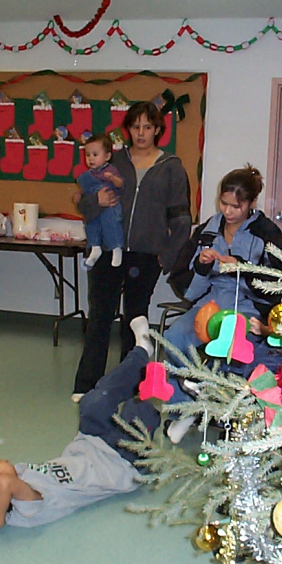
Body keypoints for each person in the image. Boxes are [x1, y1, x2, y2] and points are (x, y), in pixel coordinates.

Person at [0, 317, 160, 530]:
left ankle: (142, 352)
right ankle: (177, 389)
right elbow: (4, 484)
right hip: (122, 464)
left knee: (93, 402)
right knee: (140, 406)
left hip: (90, 444)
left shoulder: (3, 488)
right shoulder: (27, 507)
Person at [72, 101, 191, 399]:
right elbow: (84, 202)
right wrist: (93, 203)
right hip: (111, 251)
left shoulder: (172, 167)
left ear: (158, 129)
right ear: (128, 129)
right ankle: (87, 385)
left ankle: (128, 385)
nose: (141, 133)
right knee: (100, 315)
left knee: (135, 319)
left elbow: (180, 218)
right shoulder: (113, 163)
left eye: (147, 127)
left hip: (147, 255)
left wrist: (167, 255)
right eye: (135, 126)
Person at [163, 164, 282, 442]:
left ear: (252, 203)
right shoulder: (208, 230)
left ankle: (219, 410)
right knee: (173, 338)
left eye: (236, 206)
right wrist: (202, 266)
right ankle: (182, 410)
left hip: (247, 307)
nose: (228, 211)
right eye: (224, 203)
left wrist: (244, 268)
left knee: (229, 348)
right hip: (209, 304)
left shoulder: (267, 234)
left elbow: (279, 286)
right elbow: (189, 291)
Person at [74, 134, 125, 269]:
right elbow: (85, 193)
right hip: (94, 210)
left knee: (111, 225)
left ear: (107, 156)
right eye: (87, 155)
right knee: (91, 225)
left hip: (110, 207)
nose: (90, 158)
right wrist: (79, 196)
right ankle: (95, 247)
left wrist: (113, 178)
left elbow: (120, 184)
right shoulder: (88, 175)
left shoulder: (110, 169)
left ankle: (116, 248)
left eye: (95, 154)